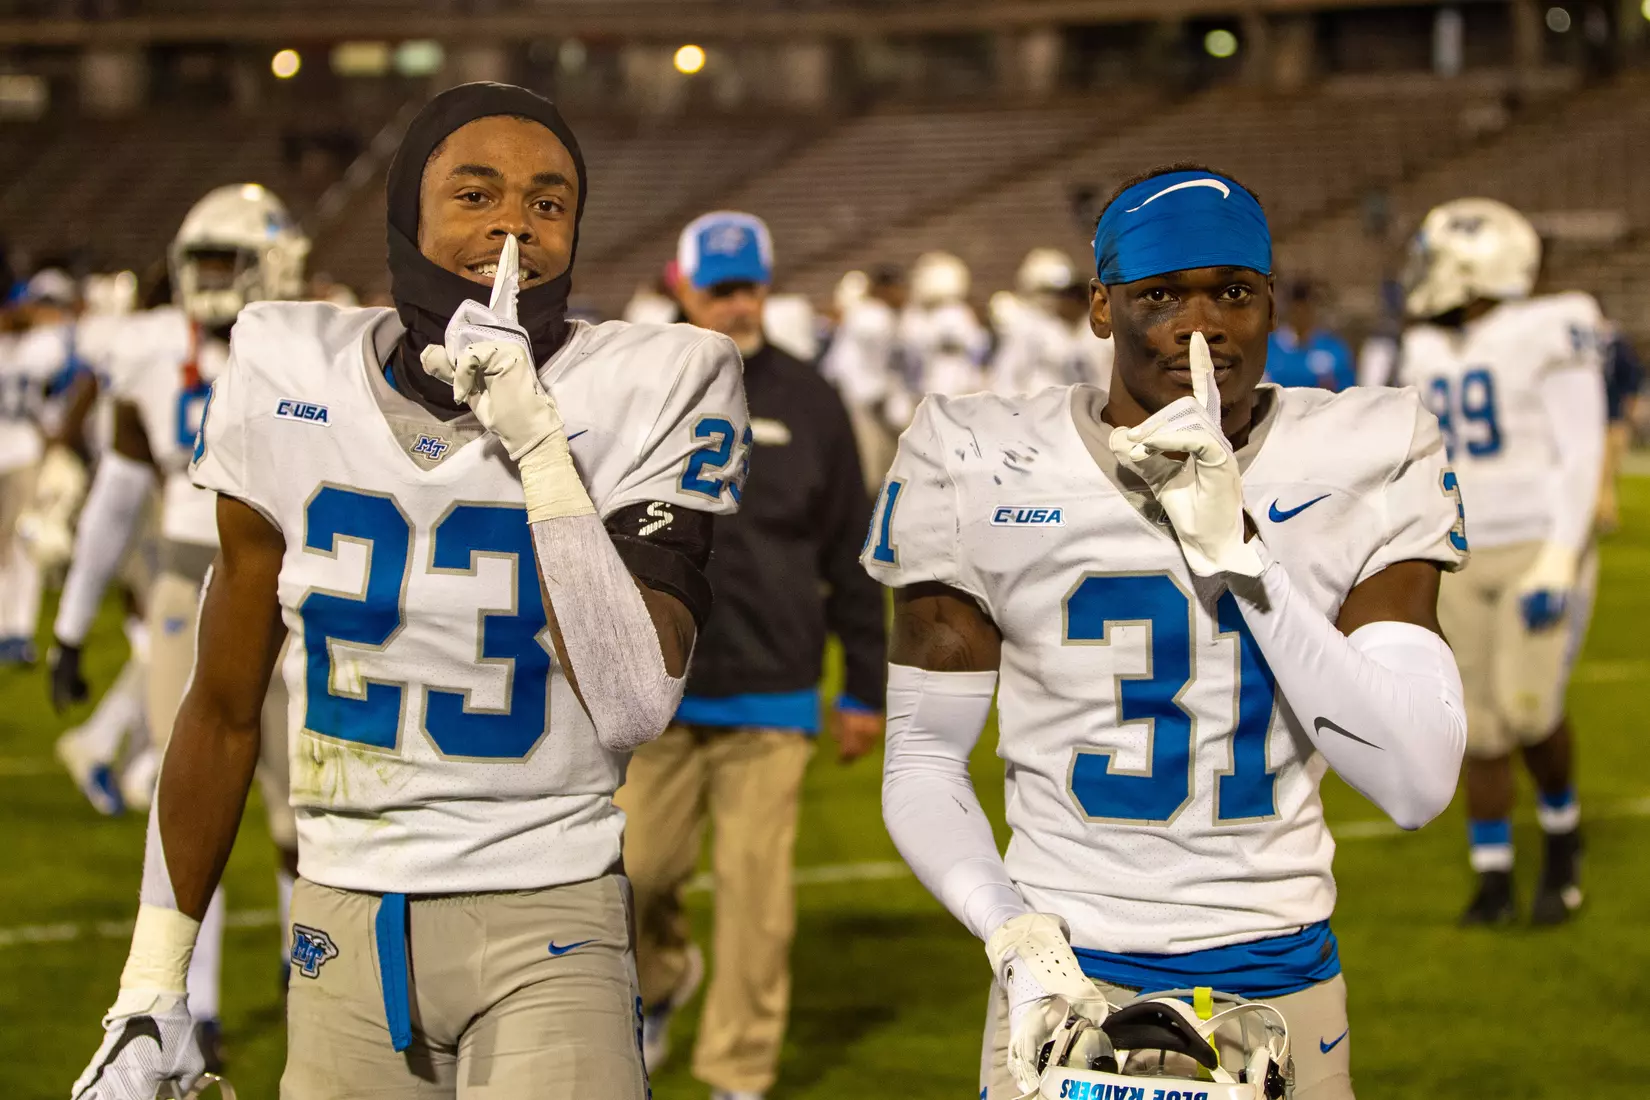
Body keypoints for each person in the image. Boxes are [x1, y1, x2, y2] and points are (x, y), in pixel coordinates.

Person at [70, 81, 748, 1100]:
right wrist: (151, 981)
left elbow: (635, 697)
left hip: (548, 905)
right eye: (476, 194)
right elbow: (216, 709)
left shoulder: (658, 379)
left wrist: (536, 442)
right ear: (407, 216)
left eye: (549, 201)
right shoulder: (288, 366)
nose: (515, 222)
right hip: (341, 918)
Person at [866, 164, 1469, 1100]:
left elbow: (1417, 781)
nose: (1202, 325)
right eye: (1161, 296)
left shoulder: (1366, 448)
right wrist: (1012, 934)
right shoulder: (982, 458)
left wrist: (1246, 559)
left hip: (1280, 965)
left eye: (1233, 292)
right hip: (1063, 972)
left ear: (1270, 300)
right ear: (1102, 310)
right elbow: (921, 759)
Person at [617, 211, 886, 1100]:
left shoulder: (812, 400)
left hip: (772, 689)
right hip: (654, 689)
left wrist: (865, 688)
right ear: (681, 286)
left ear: (766, 289)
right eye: (718, 288)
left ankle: (738, 1076)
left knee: (757, 903)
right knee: (639, 875)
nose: (735, 304)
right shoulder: (637, 387)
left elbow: (853, 546)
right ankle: (660, 982)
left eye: (748, 287)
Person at [53, 183, 311, 1069]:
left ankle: (301, 969)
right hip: (182, 579)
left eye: (226, 262)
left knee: (303, 799)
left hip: (292, 585)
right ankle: (188, 1006)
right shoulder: (156, 358)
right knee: (184, 796)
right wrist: (71, 623)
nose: (209, 281)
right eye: (200, 263)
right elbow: (116, 500)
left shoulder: (316, 345)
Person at [1395, 198, 1605, 926]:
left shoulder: (1549, 326)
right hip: (1460, 550)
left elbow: (1580, 450)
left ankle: (1562, 839)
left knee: (1528, 710)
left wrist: (1558, 556)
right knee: (1475, 728)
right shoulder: (1424, 348)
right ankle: (1492, 880)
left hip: (1534, 547)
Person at [821, 264, 907, 491]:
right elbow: (872, 368)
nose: (903, 294)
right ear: (885, 289)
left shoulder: (868, 312)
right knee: (869, 470)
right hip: (857, 398)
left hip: (853, 392)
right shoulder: (874, 316)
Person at [987, 247, 1113, 397]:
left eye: (1063, 292)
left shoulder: (1081, 328)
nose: (1057, 298)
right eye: (1049, 291)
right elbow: (1005, 380)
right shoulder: (1024, 326)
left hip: (1077, 408)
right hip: (1039, 410)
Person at [896, 250, 988, 420]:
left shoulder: (957, 313)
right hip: (926, 387)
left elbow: (976, 348)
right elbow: (909, 354)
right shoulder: (914, 314)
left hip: (958, 387)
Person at [1596, 321, 1644, 533]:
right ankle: (1603, 514)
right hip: (1610, 418)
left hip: (1608, 419)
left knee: (1604, 472)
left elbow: (1632, 380)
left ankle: (1604, 516)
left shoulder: (1611, 346)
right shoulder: (1614, 346)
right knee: (1605, 473)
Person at [1265, 280, 1355, 391]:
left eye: (1306, 308)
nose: (1301, 314)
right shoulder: (1269, 347)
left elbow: (1348, 387)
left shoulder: (1333, 348)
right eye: (1296, 309)